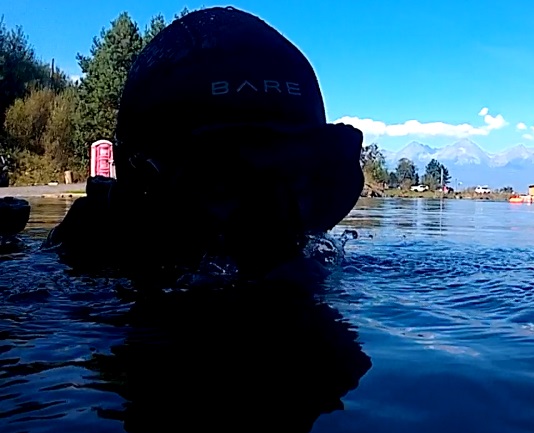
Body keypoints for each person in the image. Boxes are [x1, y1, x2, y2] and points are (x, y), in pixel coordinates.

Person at [43, 6, 365, 286]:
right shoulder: (84, 262)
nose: (271, 229)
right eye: (225, 183)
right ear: (142, 192)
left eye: (297, 180)